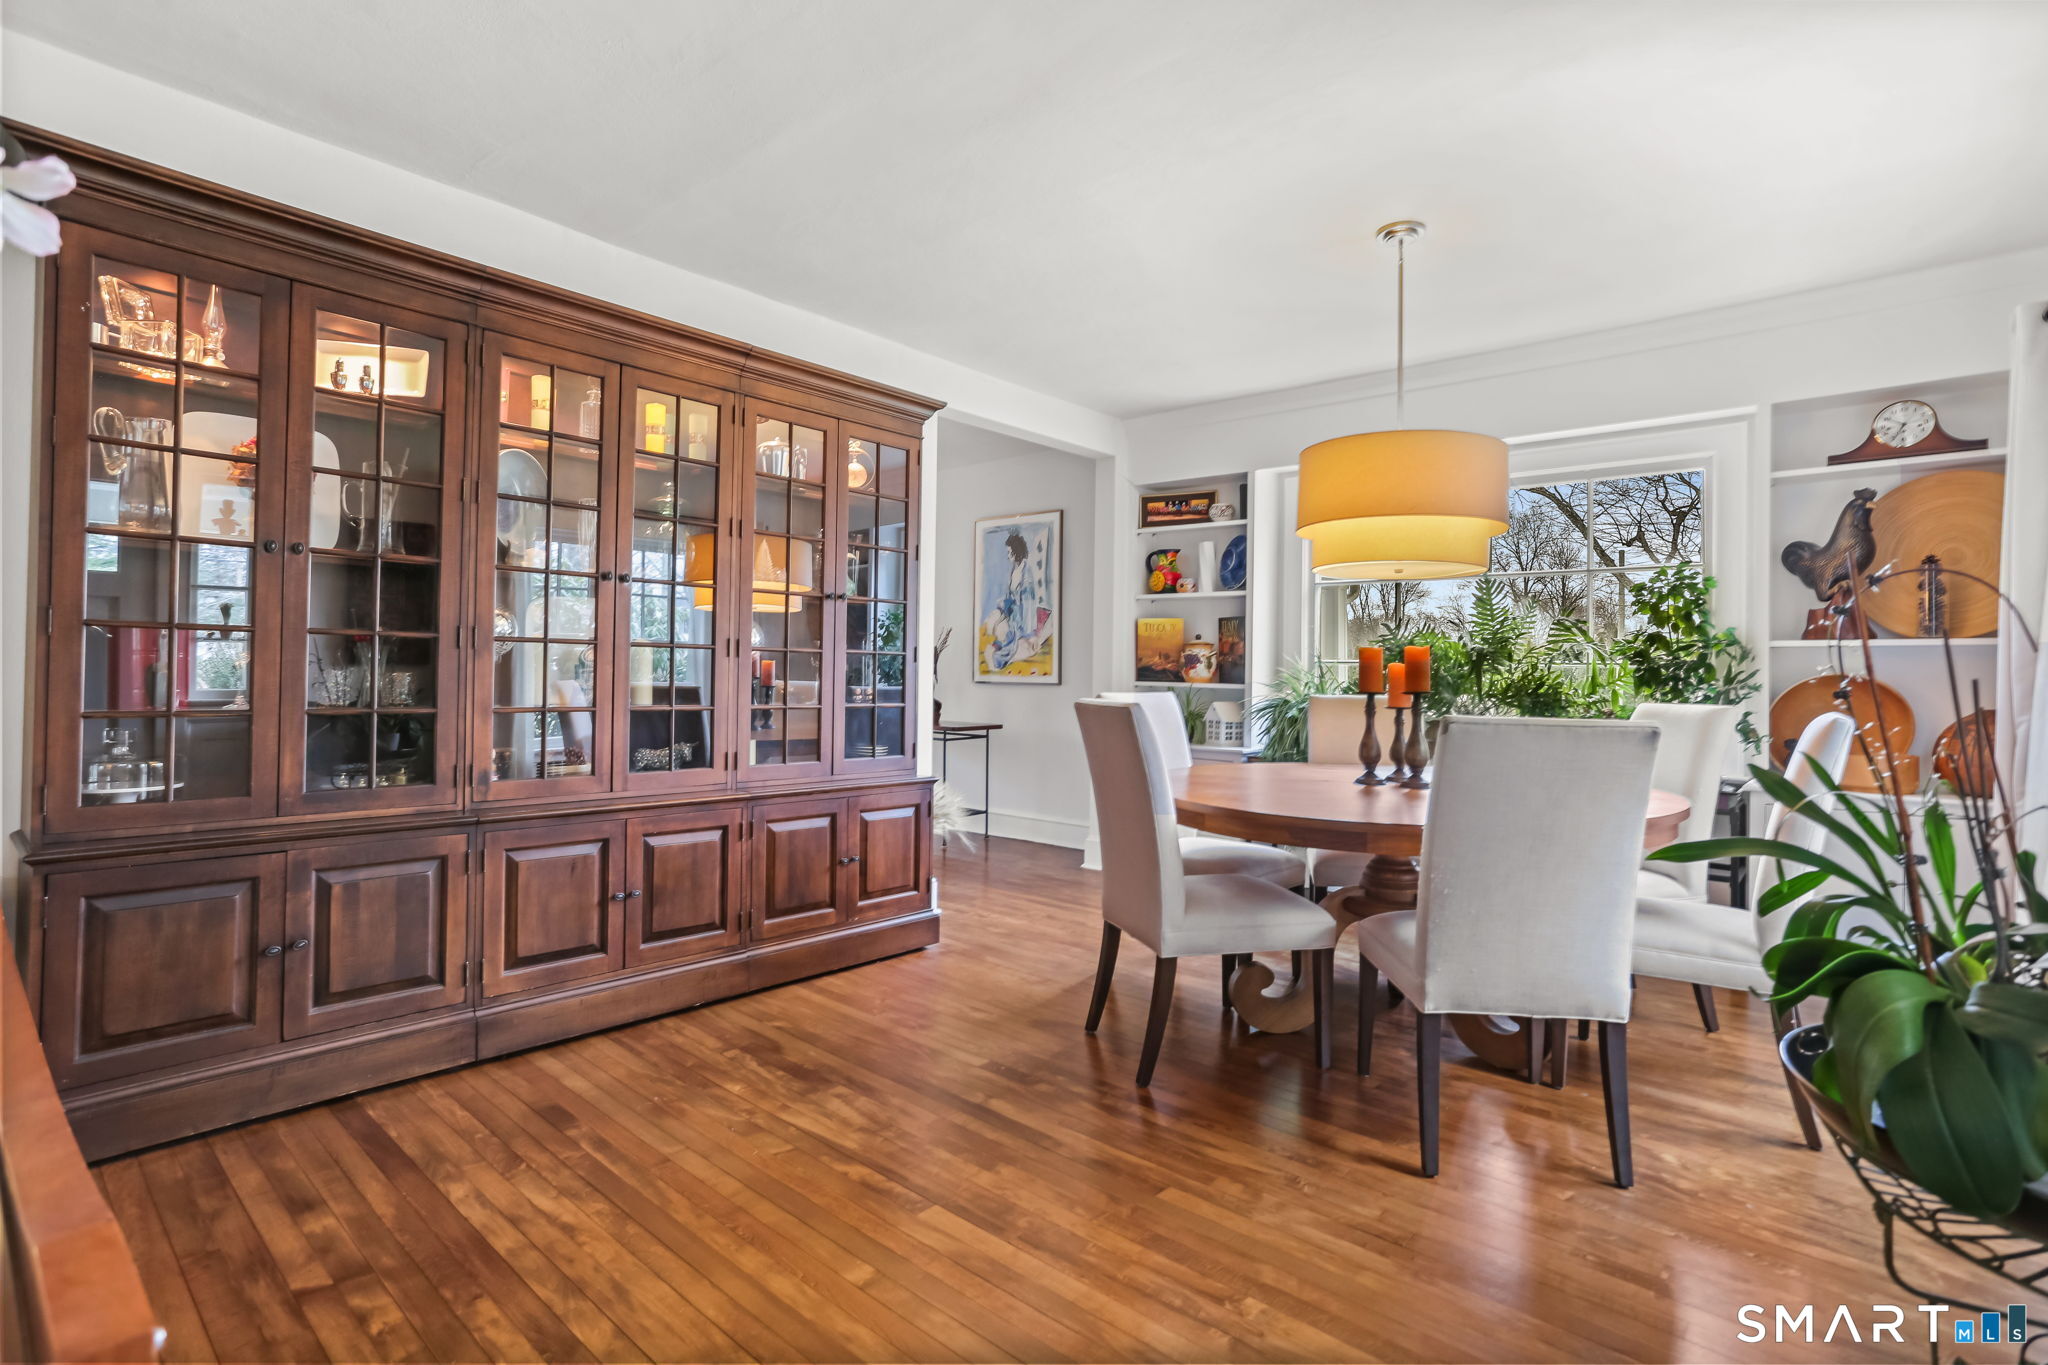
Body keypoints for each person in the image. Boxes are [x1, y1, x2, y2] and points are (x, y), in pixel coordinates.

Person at [984, 528, 1048, 672]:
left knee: (1009, 645)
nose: (1007, 556)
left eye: (1009, 552)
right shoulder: (1014, 570)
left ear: (1015, 552)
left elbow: (1029, 605)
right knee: (994, 622)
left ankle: (1002, 653)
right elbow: (1009, 596)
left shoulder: (1026, 573)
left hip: (1022, 619)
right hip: (1012, 614)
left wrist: (1031, 634)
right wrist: (1002, 608)